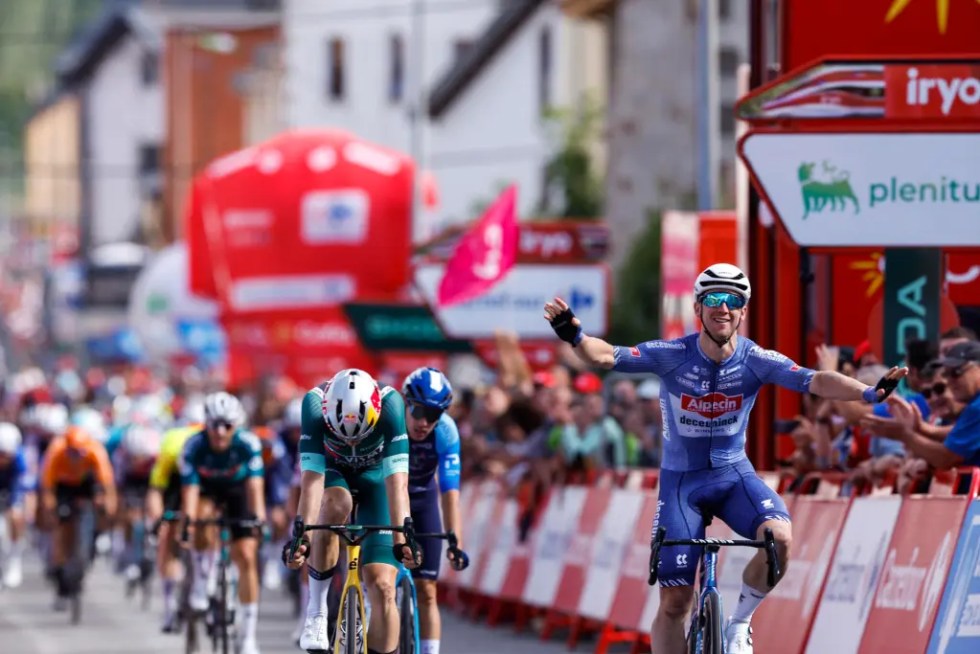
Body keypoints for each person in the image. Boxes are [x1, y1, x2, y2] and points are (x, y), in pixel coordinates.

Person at [543, 262, 906, 654]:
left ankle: (740, 623)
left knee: (779, 538)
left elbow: (814, 379)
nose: (723, 308)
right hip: (682, 484)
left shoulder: (755, 359)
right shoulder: (671, 355)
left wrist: (869, 394)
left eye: (733, 300)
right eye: (713, 299)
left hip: (733, 475)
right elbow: (606, 357)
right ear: (698, 309)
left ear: (743, 311)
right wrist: (575, 335)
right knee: (675, 604)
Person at [284, 368, 420, 654]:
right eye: (344, 438)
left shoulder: (392, 405)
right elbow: (311, 482)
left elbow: (397, 484)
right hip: (334, 475)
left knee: (383, 586)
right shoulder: (313, 405)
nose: (352, 444)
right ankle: (317, 613)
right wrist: (302, 537)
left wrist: (402, 540)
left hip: (376, 481)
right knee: (334, 505)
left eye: (360, 436)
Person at [179, 391, 266, 654]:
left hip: (237, 491)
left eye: (226, 425)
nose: (219, 432)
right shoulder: (193, 446)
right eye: (214, 425)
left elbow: (254, 486)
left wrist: (258, 518)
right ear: (205, 424)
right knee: (200, 520)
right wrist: (188, 523)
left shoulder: (248, 443)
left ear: (236, 426)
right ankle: (201, 581)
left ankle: (248, 636)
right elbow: (190, 492)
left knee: (247, 556)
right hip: (205, 491)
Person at [402, 367, 469, 654]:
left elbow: (450, 491)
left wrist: (455, 541)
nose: (424, 422)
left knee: (427, 590)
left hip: (424, 499)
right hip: (388, 498)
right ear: (406, 403)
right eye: (418, 411)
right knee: (379, 582)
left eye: (434, 415)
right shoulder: (391, 425)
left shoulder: (446, 431)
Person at [39, 424, 117, 609]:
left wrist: (108, 508)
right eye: (72, 452)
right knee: (61, 524)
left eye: (79, 453)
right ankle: (60, 567)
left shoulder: (95, 451)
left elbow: (107, 485)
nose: (75, 457)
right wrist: (51, 510)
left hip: (86, 484)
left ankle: (97, 538)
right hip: (64, 487)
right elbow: (48, 488)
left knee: (101, 505)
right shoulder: (56, 450)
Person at [0, 422, 29, 587]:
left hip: (11, 485)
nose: (3, 459)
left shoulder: (19, 460)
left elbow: (23, 488)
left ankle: (15, 559)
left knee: (16, 516)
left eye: (6, 455)